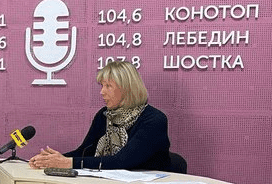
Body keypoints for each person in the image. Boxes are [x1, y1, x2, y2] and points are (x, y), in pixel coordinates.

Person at [29, 60, 171, 171]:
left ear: (127, 89)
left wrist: (67, 163)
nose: (102, 92)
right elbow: (84, 152)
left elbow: (122, 161)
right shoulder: (104, 116)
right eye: (102, 86)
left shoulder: (154, 120)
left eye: (108, 86)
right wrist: (51, 160)